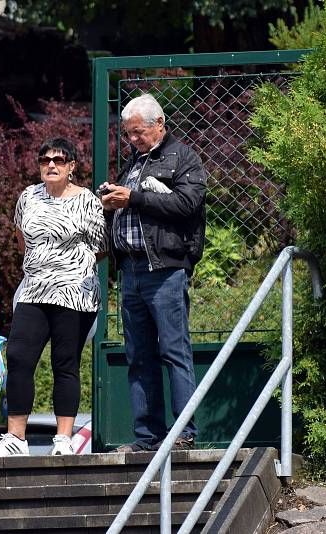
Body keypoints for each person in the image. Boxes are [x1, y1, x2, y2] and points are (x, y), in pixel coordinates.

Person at [0, 137, 107, 457]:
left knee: (65, 363)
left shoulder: (88, 201)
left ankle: (63, 440)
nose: (51, 165)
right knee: (20, 357)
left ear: (72, 167)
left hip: (75, 292)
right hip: (34, 288)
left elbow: (101, 246)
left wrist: (70, 269)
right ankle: (15, 439)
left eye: (60, 160)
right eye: (45, 159)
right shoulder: (28, 197)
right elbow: (21, 240)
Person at [99, 93, 206, 452]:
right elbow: (129, 203)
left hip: (165, 268)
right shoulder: (133, 162)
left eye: (138, 133)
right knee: (139, 356)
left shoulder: (184, 158)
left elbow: (186, 204)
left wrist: (133, 198)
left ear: (159, 124)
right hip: (130, 270)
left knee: (174, 351)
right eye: (128, 134)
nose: (132, 140)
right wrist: (111, 201)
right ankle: (147, 437)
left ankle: (184, 434)